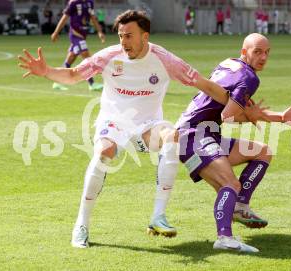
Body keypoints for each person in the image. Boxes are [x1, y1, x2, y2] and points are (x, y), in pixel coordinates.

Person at [18, 10, 229, 249]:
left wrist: (238, 104)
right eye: (120, 36)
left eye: (129, 35)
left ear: (145, 36)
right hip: (114, 122)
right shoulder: (109, 56)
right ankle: (81, 224)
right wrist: (47, 71)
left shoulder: (164, 59)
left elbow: (204, 84)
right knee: (103, 154)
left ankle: (158, 217)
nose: (123, 42)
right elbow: (75, 75)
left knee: (171, 136)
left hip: (148, 125)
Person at [176, 33, 291, 253]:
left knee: (262, 152)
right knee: (230, 184)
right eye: (257, 52)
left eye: (267, 52)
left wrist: (280, 117)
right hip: (194, 136)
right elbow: (229, 116)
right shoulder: (250, 78)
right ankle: (224, 238)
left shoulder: (228, 63)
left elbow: (235, 110)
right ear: (244, 52)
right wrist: (254, 114)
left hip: (205, 134)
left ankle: (239, 207)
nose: (263, 57)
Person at [51, 0, 105, 91]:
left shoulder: (90, 3)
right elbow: (65, 17)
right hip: (75, 35)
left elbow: (92, 17)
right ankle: (92, 84)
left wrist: (100, 31)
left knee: (70, 59)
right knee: (87, 58)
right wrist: (56, 32)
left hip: (82, 36)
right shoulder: (73, 2)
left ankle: (57, 82)